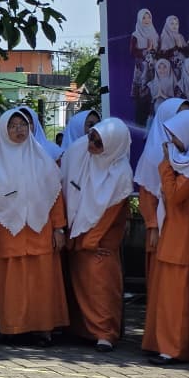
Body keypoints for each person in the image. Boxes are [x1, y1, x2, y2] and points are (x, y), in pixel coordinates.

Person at [0, 107, 68, 346]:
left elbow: (55, 195)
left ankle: (42, 330)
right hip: (8, 235)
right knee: (12, 285)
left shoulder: (42, 160)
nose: (19, 130)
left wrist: (59, 228)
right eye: (13, 126)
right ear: (3, 130)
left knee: (42, 283)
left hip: (40, 232)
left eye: (23, 125)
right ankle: (13, 329)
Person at [143, 109, 189, 364]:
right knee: (176, 300)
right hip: (177, 241)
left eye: (176, 136)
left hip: (187, 243)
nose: (172, 142)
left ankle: (175, 350)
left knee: (181, 301)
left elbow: (174, 196)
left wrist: (165, 164)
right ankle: (179, 348)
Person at [61, 118, 132, 350]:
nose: (91, 145)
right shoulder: (79, 153)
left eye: (99, 143)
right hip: (75, 232)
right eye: (91, 138)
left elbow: (111, 214)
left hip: (101, 239)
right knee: (78, 283)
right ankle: (83, 330)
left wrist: (90, 241)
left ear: (113, 146)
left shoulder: (120, 172)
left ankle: (105, 333)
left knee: (101, 284)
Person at [134, 98, 189, 350]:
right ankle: (158, 340)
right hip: (159, 230)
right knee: (161, 288)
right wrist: (152, 226)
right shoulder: (154, 154)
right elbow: (146, 195)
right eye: (177, 116)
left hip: (186, 229)